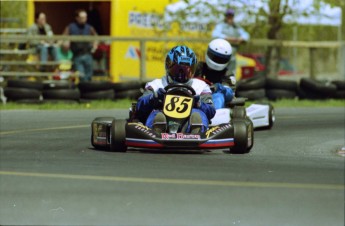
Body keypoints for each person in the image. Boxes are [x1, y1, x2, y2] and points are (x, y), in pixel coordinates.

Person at [137, 45, 216, 134]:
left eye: (186, 70)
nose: (181, 74)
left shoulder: (200, 86)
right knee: (157, 114)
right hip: (164, 118)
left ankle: (196, 130)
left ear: (193, 69)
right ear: (168, 66)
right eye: (177, 69)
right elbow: (139, 106)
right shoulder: (157, 84)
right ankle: (157, 129)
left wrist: (199, 104)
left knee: (197, 114)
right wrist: (153, 98)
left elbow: (211, 111)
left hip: (188, 121)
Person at [194, 39, 235, 109]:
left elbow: (229, 94)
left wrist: (218, 87)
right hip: (196, 95)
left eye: (221, 59)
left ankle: (215, 116)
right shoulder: (198, 67)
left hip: (213, 99)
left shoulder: (227, 74)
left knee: (219, 96)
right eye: (215, 57)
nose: (217, 61)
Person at [212, 8, 250, 76]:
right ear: (226, 16)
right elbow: (215, 35)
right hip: (221, 56)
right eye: (228, 15)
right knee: (218, 75)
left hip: (232, 57)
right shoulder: (221, 26)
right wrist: (227, 38)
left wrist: (241, 39)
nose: (230, 17)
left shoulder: (237, 27)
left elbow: (246, 35)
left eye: (231, 15)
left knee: (231, 76)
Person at [63, 9, 98, 81]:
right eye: (82, 18)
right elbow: (64, 37)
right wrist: (66, 43)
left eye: (85, 17)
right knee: (82, 76)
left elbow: (96, 37)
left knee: (89, 76)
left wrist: (94, 46)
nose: (84, 19)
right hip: (77, 56)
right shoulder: (71, 27)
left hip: (88, 55)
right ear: (77, 18)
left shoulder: (89, 27)